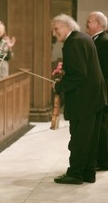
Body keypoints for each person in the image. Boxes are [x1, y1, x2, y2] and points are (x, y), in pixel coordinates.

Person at [51, 14, 107, 184]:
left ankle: (75, 174)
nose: (54, 33)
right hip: (95, 98)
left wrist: (59, 86)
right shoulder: (83, 38)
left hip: (84, 101)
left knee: (79, 139)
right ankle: (88, 173)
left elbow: (79, 74)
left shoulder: (73, 42)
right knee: (90, 139)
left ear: (68, 26)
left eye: (56, 29)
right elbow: (82, 69)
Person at [86, 11, 108, 171]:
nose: (87, 23)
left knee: (103, 127)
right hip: (99, 91)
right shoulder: (96, 40)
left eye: (90, 21)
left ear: (99, 24)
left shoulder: (103, 41)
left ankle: (104, 160)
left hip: (104, 91)